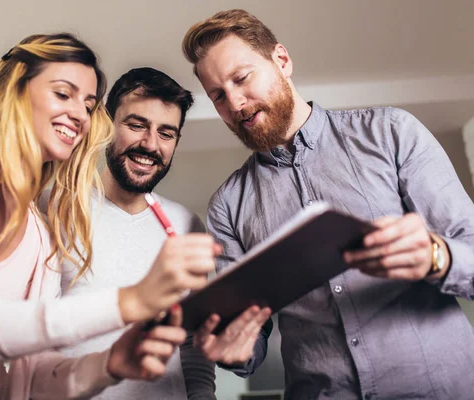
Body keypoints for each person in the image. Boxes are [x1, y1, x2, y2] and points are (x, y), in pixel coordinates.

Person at [0, 33, 218, 399]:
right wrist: (130, 301)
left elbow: (31, 373)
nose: (79, 114)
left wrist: (110, 364)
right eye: (63, 93)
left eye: (87, 105)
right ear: (15, 89)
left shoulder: (38, 232)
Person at [181, 9, 474, 399]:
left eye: (242, 78)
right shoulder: (227, 206)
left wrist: (436, 256)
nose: (234, 103)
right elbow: (247, 344)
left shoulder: (390, 133)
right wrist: (233, 352)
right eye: (218, 95)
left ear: (281, 61)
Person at [48, 67, 216, 399]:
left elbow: (191, 342)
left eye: (166, 133)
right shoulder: (53, 208)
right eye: (136, 125)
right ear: (106, 125)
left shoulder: (186, 225)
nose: (150, 144)